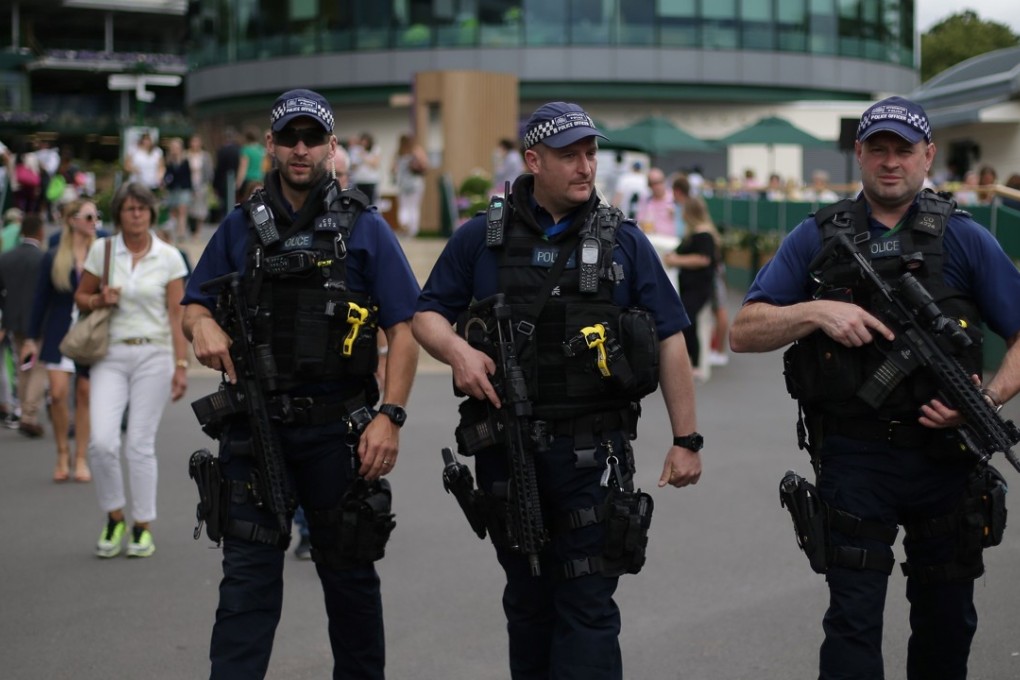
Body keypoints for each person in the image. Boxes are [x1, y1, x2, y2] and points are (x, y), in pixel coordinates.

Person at [729, 95, 1020, 680]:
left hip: (946, 459)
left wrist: (986, 401)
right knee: (852, 622)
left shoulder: (964, 238)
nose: (892, 162)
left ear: (928, 156)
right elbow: (744, 329)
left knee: (946, 620)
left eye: (904, 150)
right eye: (879, 149)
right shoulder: (817, 236)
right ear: (859, 153)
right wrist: (816, 313)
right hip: (854, 456)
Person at [413, 101, 702, 680]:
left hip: (589, 454)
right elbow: (426, 314)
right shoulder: (481, 238)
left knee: (587, 603)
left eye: (590, 153)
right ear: (532, 160)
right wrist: (458, 352)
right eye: (569, 155)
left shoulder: (623, 240)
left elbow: (670, 336)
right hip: (505, 451)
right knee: (528, 604)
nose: (585, 166)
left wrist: (687, 438)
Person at [182, 87, 420, 679]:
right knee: (246, 587)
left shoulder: (365, 229)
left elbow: (404, 327)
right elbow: (192, 306)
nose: (300, 148)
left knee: (350, 582)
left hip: (338, 434)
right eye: (289, 137)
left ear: (332, 148)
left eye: (313, 138)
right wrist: (203, 326)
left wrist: (390, 415)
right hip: (253, 430)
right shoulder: (240, 228)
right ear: (270, 145)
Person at [73, 181, 190, 559]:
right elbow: (81, 296)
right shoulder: (103, 250)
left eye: (142, 208)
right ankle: (114, 516)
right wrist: (97, 298)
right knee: (102, 441)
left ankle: (142, 526)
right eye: (129, 208)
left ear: (151, 214)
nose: (136, 214)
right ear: (119, 214)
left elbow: (177, 315)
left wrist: (181, 363)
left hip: (154, 355)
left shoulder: (169, 256)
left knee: (139, 443)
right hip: (110, 353)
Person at [22, 199, 100, 482]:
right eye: (89, 216)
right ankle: (61, 453)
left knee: (84, 394)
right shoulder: (54, 256)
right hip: (58, 331)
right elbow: (40, 300)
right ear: (72, 220)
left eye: (97, 217)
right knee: (56, 394)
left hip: (90, 334)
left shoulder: (101, 253)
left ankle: (80, 457)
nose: (94, 222)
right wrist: (31, 338)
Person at [663, 196, 720, 380]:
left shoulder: (703, 235)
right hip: (690, 286)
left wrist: (676, 260)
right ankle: (690, 361)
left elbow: (703, 259)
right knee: (688, 320)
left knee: (689, 321)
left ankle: (694, 362)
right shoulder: (695, 234)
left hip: (698, 287)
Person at [0, 213, 47, 438]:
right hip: (39, 322)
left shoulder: (6, 258)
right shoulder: (44, 259)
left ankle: (22, 408)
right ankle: (29, 414)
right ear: (40, 232)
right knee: (39, 366)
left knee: (23, 365)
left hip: (15, 321)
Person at [393, 132, 429, 237]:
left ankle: (404, 225)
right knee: (414, 207)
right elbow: (425, 164)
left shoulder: (398, 153)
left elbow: (393, 169)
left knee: (404, 207)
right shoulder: (416, 151)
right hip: (416, 183)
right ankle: (413, 230)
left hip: (403, 184)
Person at [163, 137, 194, 241]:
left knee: (182, 210)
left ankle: (181, 233)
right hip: (173, 189)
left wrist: (191, 189)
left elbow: (188, 176)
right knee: (173, 211)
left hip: (184, 188)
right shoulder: (169, 161)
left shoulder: (185, 160)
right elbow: (167, 175)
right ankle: (172, 233)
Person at [186, 134, 214, 236]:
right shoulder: (186, 155)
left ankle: (198, 231)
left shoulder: (205, 156)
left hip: (202, 185)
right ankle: (189, 229)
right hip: (189, 185)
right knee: (189, 208)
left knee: (201, 208)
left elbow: (209, 171)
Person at [211, 128, 241, 223]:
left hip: (223, 181)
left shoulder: (221, 150)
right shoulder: (238, 150)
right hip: (236, 180)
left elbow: (218, 168)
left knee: (224, 204)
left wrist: (214, 184)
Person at [349, 132, 381, 203]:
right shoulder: (355, 150)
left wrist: (363, 155)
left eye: (366, 141)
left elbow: (375, 164)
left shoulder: (375, 149)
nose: (364, 143)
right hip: (359, 181)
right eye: (363, 141)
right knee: (360, 201)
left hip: (371, 181)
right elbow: (353, 166)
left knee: (371, 202)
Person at [236, 125, 266, 202]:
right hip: (259, 180)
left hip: (248, 182)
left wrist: (238, 184)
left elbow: (243, 168)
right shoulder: (261, 149)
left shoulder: (246, 150)